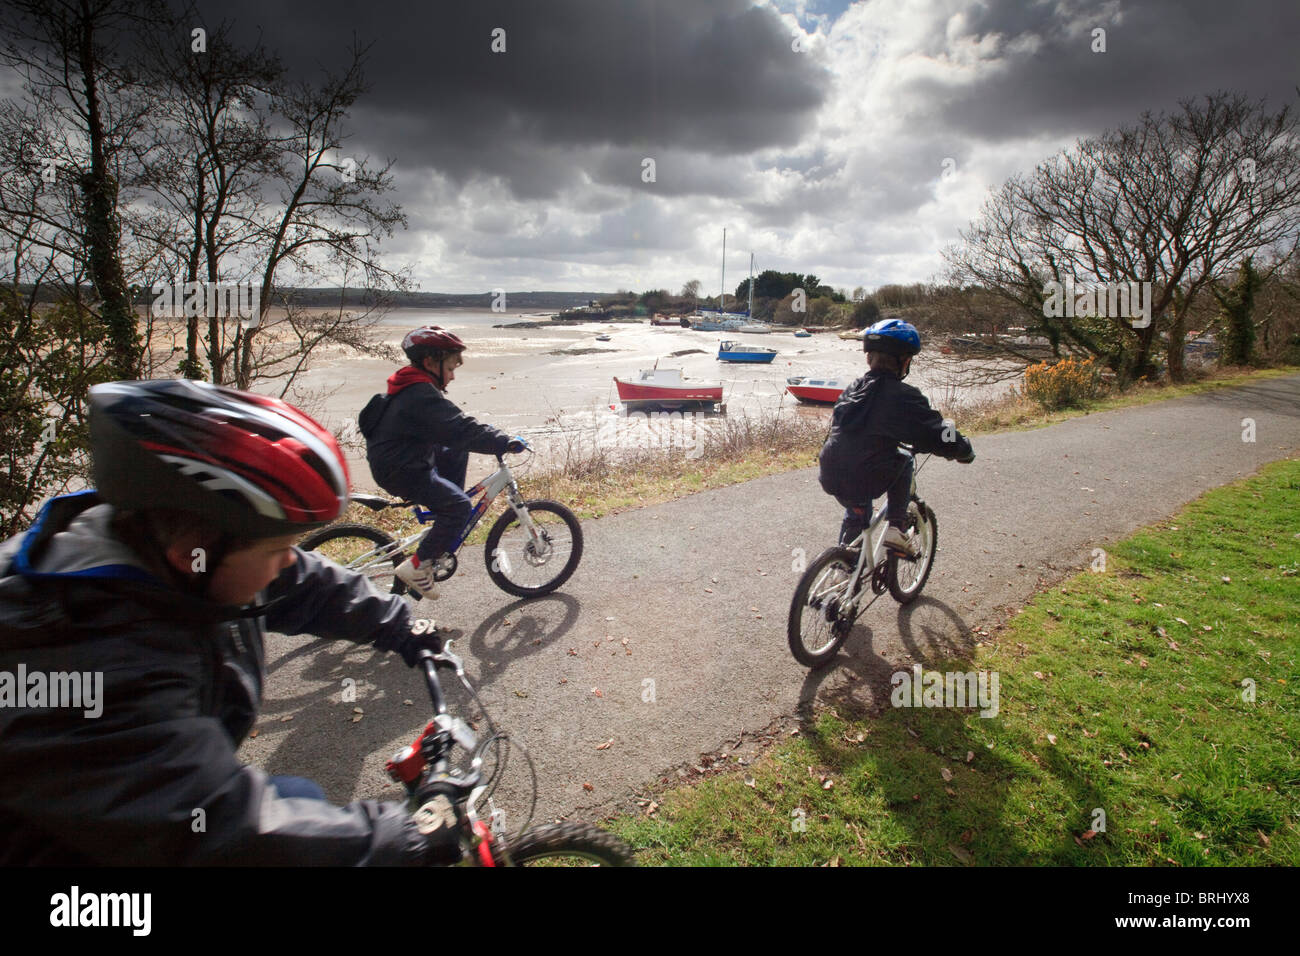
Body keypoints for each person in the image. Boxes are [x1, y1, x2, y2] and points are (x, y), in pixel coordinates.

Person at [0, 379, 461, 865]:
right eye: (276, 549)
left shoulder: (169, 552)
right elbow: (215, 830)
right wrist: (406, 838)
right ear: (190, 552)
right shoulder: (79, 656)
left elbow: (299, 581)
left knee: (298, 796)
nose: (290, 561)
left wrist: (395, 624)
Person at [362, 326, 526, 598]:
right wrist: (502, 441)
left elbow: (453, 435)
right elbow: (461, 428)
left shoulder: (408, 387)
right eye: (450, 368)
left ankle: (442, 516)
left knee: (455, 450)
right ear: (430, 362)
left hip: (396, 461)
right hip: (403, 470)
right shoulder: (420, 394)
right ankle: (416, 566)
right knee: (461, 507)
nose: (451, 376)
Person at [818, 318, 975, 557]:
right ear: (905, 361)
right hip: (866, 473)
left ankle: (845, 570)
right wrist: (963, 449)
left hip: (830, 470)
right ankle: (896, 528)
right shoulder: (904, 396)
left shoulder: (853, 388)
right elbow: (937, 431)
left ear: (869, 357)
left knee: (857, 511)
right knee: (904, 460)